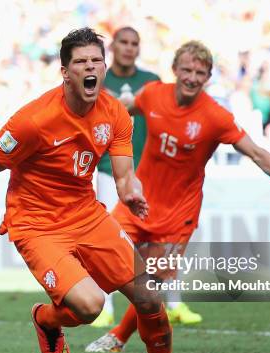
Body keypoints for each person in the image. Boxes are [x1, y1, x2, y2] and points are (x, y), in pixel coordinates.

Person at [0, 28, 205, 353]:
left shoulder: (115, 114)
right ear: (65, 72)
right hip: (37, 225)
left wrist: (130, 193)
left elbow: (125, 175)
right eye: (81, 61)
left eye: (96, 60)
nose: (90, 67)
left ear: (105, 67)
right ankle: (45, 319)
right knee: (90, 306)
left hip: (86, 215)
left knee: (149, 296)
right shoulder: (34, 120)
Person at [85, 40, 270, 353]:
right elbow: (118, 108)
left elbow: (257, 154)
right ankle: (72, 315)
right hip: (137, 203)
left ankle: (118, 337)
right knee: (98, 251)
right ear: (175, 70)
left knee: (151, 281)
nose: (193, 77)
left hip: (177, 216)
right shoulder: (153, 94)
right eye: (187, 70)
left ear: (208, 76)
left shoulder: (215, 117)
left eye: (200, 72)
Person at [92, 26, 202, 328]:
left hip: (150, 176)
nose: (129, 48)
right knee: (108, 238)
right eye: (124, 42)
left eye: (134, 43)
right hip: (108, 169)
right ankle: (105, 307)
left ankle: (175, 304)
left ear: (139, 49)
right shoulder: (97, 79)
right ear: (113, 46)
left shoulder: (152, 83)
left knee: (165, 241)